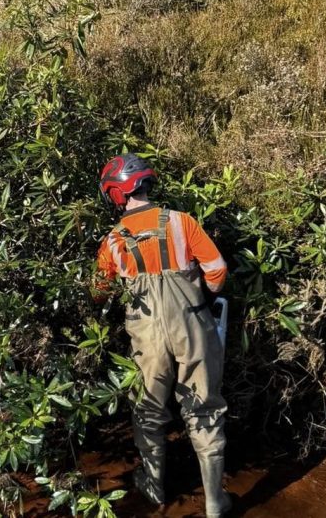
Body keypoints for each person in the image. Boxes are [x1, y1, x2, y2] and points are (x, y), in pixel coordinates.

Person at [94, 153, 232, 517]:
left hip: (146, 333)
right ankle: (216, 502)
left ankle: (154, 488)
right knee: (204, 407)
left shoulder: (112, 242)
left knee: (150, 409)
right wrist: (201, 297)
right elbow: (217, 270)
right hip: (192, 324)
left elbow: (100, 291)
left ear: (117, 193)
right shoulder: (181, 222)